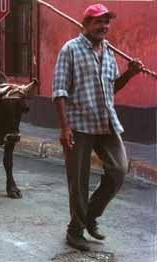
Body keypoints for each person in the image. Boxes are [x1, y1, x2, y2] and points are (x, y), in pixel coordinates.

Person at [52, 4, 144, 251]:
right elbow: (59, 91)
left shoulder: (109, 53)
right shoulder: (70, 50)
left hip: (106, 123)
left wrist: (130, 74)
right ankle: (75, 230)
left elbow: (111, 89)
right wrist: (65, 128)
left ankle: (90, 215)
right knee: (78, 181)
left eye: (106, 22)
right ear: (85, 24)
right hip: (79, 124)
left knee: (119, 170)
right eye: (98, 22)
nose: (103, 27)